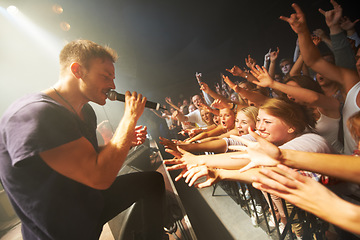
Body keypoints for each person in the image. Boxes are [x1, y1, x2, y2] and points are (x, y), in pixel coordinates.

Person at [0, 39, 165, 240]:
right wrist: (129, 117)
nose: (112, 85)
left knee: (152, 182)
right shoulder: (35, 113)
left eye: (113, 78)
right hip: (61, 229)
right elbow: (99, 177)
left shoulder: (86, 112)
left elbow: (89, 156)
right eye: (105, 76)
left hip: (87, 204)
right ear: (77, 70)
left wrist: (125, 141)